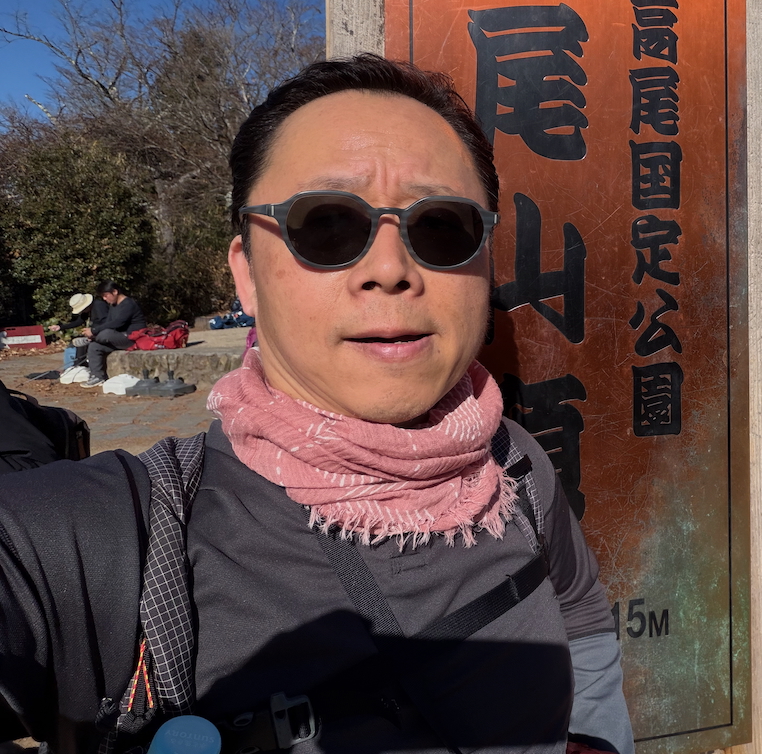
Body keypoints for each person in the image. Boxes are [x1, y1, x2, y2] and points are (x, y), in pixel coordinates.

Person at [0, 55, 633, 754]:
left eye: (441, 226)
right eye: (327, 224)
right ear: (246, 274)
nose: (390, 269)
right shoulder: (103, 537)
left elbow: (581, 615)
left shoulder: (512, 464)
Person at [79, 280, 146, 388]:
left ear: (114, 292)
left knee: (106, 333)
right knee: (94, 346)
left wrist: (94, 331)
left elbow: (118, 323)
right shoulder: (113, 305)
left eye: (105, 295)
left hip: (132, 338)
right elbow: (108, 322)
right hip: (118, 337)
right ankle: (97, 376)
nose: (104, 299)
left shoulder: (128, 304)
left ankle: (89, 339)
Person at [51, 292, 108, 377]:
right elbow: (79, 321)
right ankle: (78, 366)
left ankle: (82, 366)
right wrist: (60, 327)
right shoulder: (89, 309)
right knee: (78, 342)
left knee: (84, 343)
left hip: (104, 333)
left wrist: (93, 331)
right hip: (95, 333)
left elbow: (105, 323)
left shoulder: (99, 306)